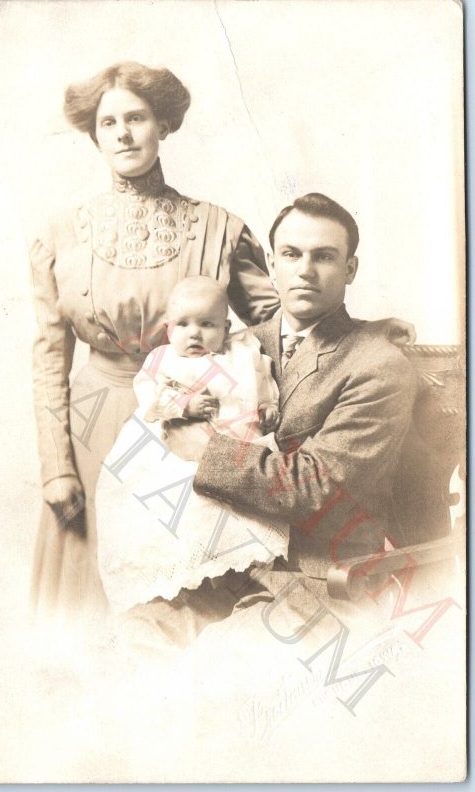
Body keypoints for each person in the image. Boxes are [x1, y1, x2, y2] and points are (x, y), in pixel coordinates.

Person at [30, 60, 414, 618]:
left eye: (136, 118)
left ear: (163, 125)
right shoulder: (57, 234)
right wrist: (55, 466)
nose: (124, 134)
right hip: (95, 423)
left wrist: (372, 332)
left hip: (204, 427)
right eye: (109, 122)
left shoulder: (218, 227)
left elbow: (287, 316)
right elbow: (46, 359)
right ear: (94, 134)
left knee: (186, 589)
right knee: (91, 608)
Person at [164, 192, 418, 627]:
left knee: (215, 672)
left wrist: (206, 452)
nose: (305, 270)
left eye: (324, 256)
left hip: (319, 579)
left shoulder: (381, 366)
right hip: (216, 567)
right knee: (129, 645)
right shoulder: (233, 344)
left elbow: (316, 488)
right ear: (271, 263)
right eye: (291, 254)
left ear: (350, 269)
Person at [95, 276, 288, 614]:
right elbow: (150, 397)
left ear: (226, 327)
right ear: (168, 329)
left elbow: (263, 378)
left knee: (238, 515)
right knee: (182, 513)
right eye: (183, 324)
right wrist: (184, 404)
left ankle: (235, 578)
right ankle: (188, 581)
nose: (194, 333)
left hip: (238, 446)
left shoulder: (243, 352)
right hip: (175, 453)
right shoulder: (164, 359)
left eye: (207, 324)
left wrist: (269, 404)